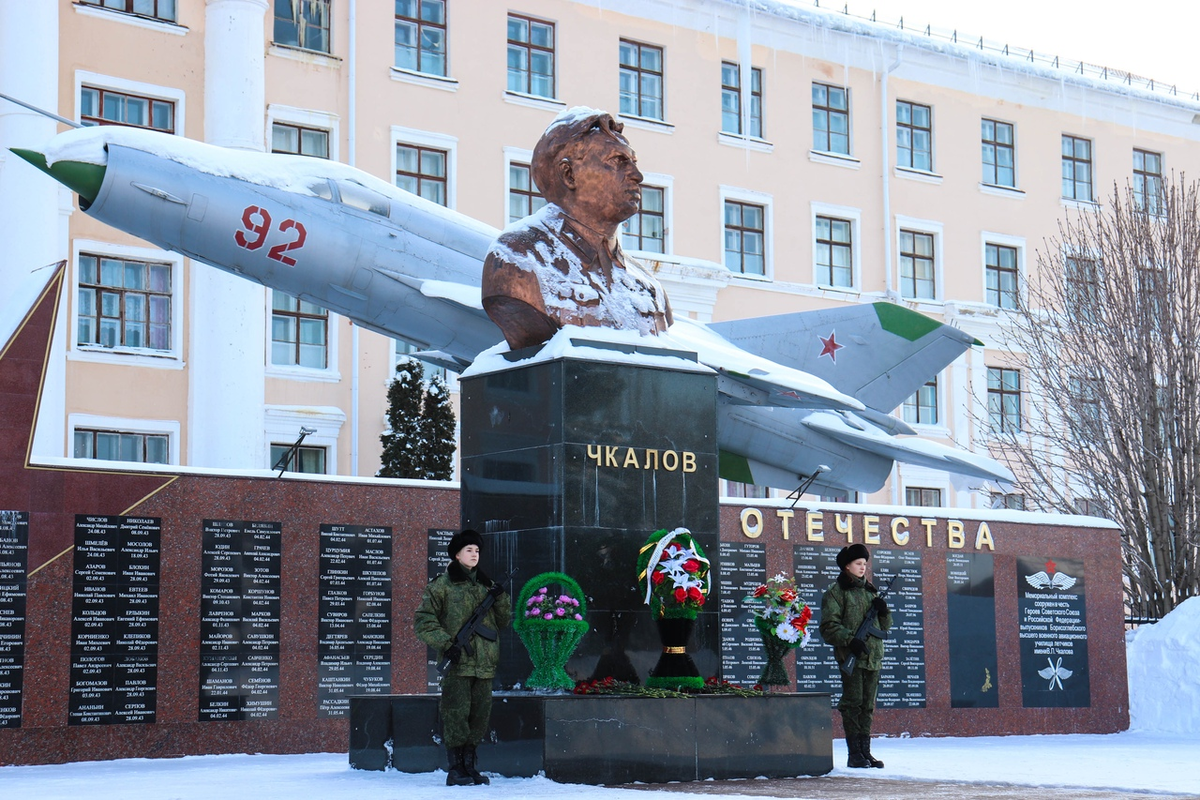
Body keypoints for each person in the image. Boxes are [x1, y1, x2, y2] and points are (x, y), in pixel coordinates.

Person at [481, 107, 673, 351]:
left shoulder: (649, 286)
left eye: (633, 162)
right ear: (569, 174)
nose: (638, 175)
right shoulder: (517, 260)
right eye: (617, 161)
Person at [414, 529, 512, 786]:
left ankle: (470, 766)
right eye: (469, 550)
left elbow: (502, 622)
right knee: (456, 715)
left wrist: (500, 599)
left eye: (477, 550)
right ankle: (455, 768)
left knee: (479, 717)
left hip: (484, 665)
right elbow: (423, 622)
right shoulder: (441, 586)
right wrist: (447, 645)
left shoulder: (487, 586)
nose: (474, 554)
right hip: (458, 663)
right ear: (456, 555)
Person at [819, 543, 891, 769]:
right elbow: (828, 627)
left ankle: (865, 752)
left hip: (873, 657)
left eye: (865, 564)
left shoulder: (871, 591)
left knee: (867, 705)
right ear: (846, 566)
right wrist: (851, 640)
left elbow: (885, 627)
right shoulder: (835, 592)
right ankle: (854, 754)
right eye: (859, 564)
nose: (863, 568)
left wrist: (883, 610)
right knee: (853, 704)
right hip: (851, 656)